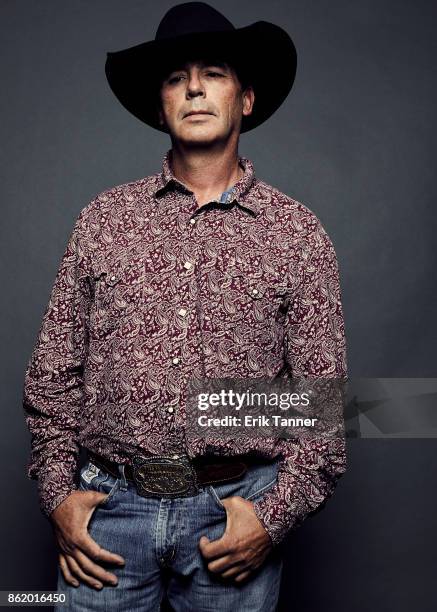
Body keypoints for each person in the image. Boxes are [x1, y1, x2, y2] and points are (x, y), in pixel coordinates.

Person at [23, 3, 348, 611]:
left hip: (232, 516)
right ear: (161, 105)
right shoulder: (104, 220)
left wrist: (271, 519)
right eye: (176, 77)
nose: (194, 87)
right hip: (108, 518)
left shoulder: (297, 234)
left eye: (214, 72)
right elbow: (52, 377)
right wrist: (56, 494)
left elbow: (322, 410)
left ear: (245, 99)